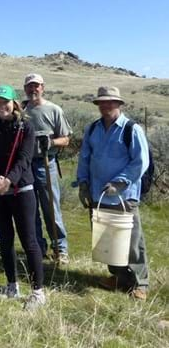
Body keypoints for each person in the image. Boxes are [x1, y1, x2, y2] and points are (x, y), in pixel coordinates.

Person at [77, 86, 149, 300]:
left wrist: (120, 183)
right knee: (107, 239)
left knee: (132, 240)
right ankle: (119, 277)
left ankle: (140, 283)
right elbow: (85, 158)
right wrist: (83, 183)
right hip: (98, 195)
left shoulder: (131, 129)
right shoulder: (92, 129)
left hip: (123, 196)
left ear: (119, 104)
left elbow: (140, 162)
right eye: (102, 102)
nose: (106, 105)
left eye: (110, 102)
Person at [0, 85, 45, 310]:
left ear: (14, 103)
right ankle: (12, 285)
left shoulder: (25, 128)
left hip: (21, 190)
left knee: (29, 241)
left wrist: (9, 180)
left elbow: (25, 158)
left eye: (5, 102)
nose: (2, 107)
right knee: (6, 240)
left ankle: (38, 292)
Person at [23, 73, 72, 264]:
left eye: (36, 86)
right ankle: (37, 247)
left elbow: (66, 139)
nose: (33, 89)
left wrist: (50, 142)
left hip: (46, 164)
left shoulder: (53, 110)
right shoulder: (22, 110)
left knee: (51, 208)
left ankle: (60, 249)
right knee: (30, 209)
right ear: (25, 88)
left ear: (43, 87)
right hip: (26, 166)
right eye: (29, 86)